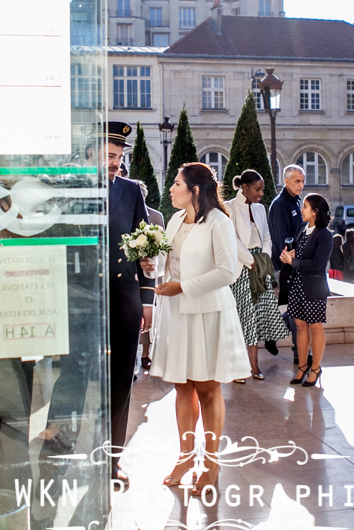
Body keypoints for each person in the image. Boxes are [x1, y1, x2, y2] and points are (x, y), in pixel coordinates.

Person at [150, 163, 251, 497]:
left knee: (206, 388)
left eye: (176, 184)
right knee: (182, 387)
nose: (171, 189)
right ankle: (184, 457)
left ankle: (210, 462)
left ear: (194, 190)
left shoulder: (218, 222)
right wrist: (151, 264)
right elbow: (170, 261)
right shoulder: (176, 219)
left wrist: (183, 287)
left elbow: (228, 272)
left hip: (206, 312)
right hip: (177, 313)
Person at [105, 122, 154, 487]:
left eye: (118, 158)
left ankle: (113, 459)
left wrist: (147, 299)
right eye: (108, 156)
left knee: (122, 380)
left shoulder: (130, 190)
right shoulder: (73, 190)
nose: (114, 164)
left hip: (124, 297)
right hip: (83, 301)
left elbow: (146, 245)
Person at [227, 170, 288, 382]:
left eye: (262, 189)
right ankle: (238, 368)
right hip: (241, 268)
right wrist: (250, 261)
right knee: (243, 317)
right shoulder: (229, 207)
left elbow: (268, 236)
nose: (261, 193)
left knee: (257, 317)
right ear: (244, 187)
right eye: (257, 189)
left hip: (260, 266)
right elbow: (231, 240)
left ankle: (253, 366)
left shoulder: (261, 208)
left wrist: (263, 259)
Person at [281, 194, 333, 389]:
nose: (301, 210)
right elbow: (299, 253)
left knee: (315, 327)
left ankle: (316, 368)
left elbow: (318, 264)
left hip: (314, 288)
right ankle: (302, 367)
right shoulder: (303, 229)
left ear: (315, 211)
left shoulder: (324, 235)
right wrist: (288, 255)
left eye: (305, 206)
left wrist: (293, 262)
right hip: (297, 286)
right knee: (300, 326)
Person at [268, 165, 307, 362]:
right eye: (297, 181)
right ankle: (299, 354)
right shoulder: (280, 204)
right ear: (286, 181)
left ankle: (274, 336)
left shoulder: (295, 201)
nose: (301, 185)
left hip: (296, 264)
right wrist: (292, 261)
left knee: (295, 309)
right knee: (295, 310)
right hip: (284, 266)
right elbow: (283, 239)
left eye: (302, 181)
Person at [134, 180, 165, 371]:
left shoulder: (156, 216)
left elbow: (162, 246)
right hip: (130, 271)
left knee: (148, 313)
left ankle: (146, 354)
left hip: (151, 271)